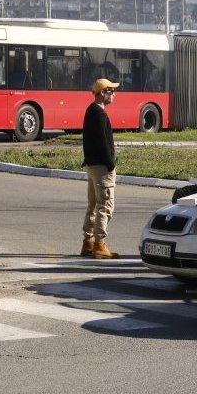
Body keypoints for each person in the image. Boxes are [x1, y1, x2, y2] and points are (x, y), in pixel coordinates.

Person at [82, 78, 119, 259]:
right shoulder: (100, 114)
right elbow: (104, 144)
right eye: (111, 91)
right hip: (102, 167)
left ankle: (88, 242)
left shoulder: (90, 111)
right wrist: (110, 164)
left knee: (93, 205)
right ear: (103, 92)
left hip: (91, 165)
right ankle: (99, 245)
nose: (114, 94)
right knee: (105, 205)